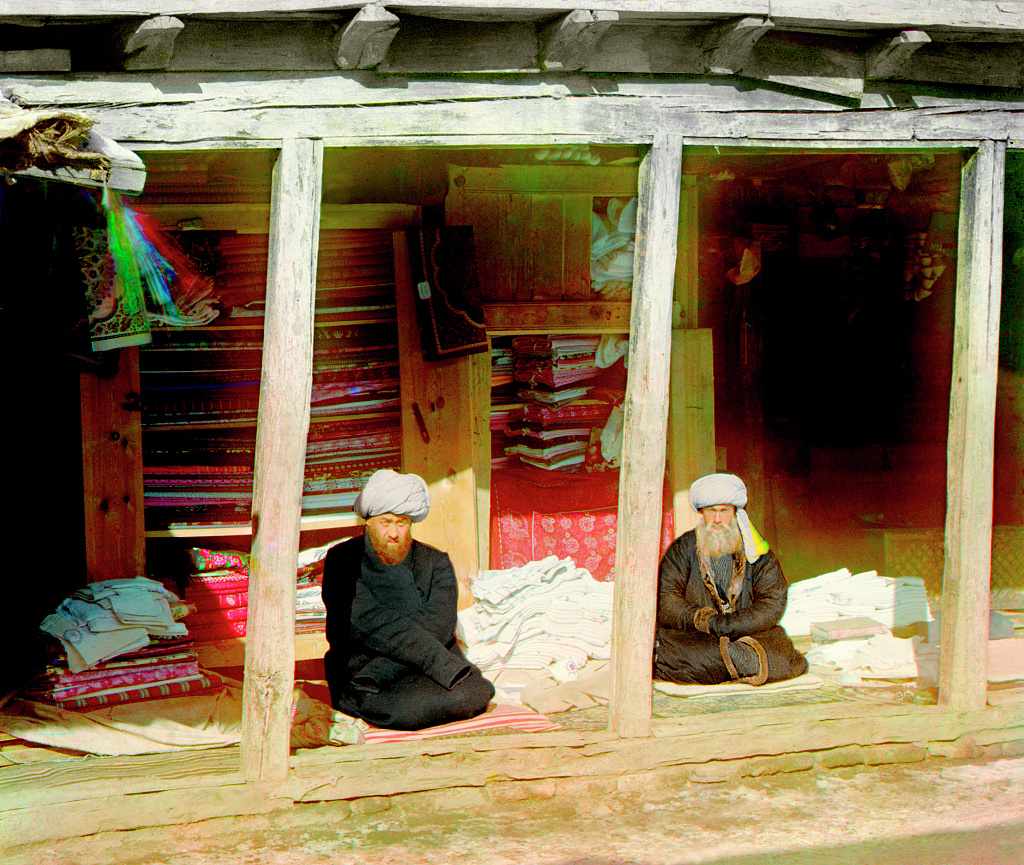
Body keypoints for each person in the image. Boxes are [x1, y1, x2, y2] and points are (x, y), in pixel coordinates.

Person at [322, 469, 494, 730]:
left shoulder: (436, 562)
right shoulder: (342, 560)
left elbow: (440, 623)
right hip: (362, 669)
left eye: (401, 523)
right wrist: (376, 674)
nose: (394, 532)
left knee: (475, 691)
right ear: (367, 521)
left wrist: (383, 669)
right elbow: (367, 621)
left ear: (411, 523)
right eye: (386, 522)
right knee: (407, 711)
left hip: (404, 668)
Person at [653, 472, 808, 686]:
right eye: (711, 511)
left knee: (779, 654)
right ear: (702, 512)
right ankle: (737, 664)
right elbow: (665, 599)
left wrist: (731, 625)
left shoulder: (757, 551)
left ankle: (726, 665)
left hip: (748, 634)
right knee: (686, 656)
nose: (717, 520)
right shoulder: (681, 549)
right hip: (697, 637)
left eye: (724, 511)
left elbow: (773, 601)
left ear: (735, 511)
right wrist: (703, 620)